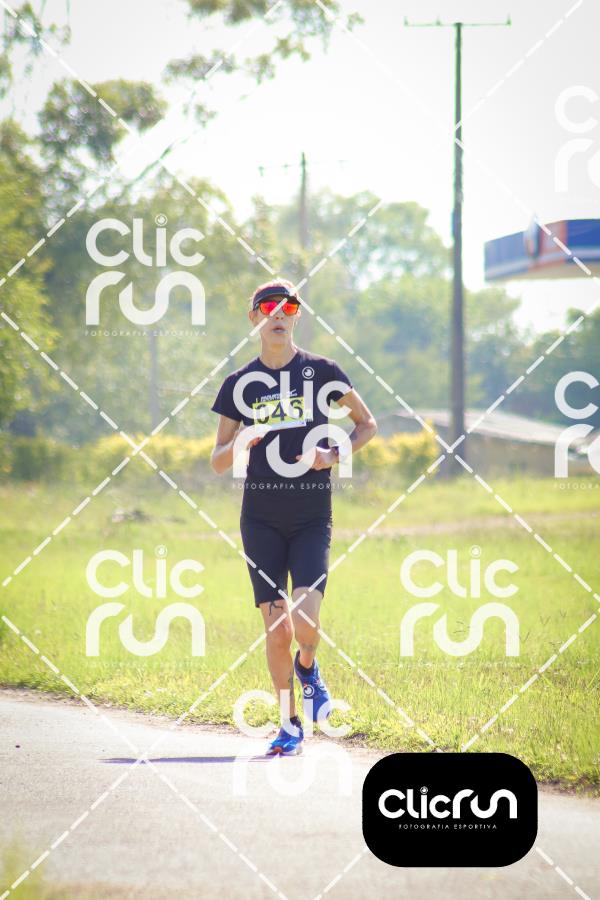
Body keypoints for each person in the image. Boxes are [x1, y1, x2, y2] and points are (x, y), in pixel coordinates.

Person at [210, 279, 377, 755]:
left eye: (288, 307)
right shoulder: (239, 384)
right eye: (269, 306)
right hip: (260, 520)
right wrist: (241, 442)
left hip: (310, 517)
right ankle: (288, 724)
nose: (278, 314)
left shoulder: (323, 372)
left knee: (304, 623)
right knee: (277, 629)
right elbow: (218, 459)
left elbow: (367, 424)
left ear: (297, 315)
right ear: (254, 318)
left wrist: (334, 454)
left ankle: (308, 667)